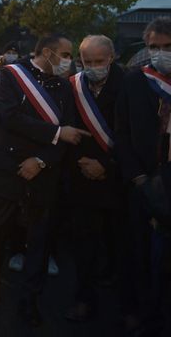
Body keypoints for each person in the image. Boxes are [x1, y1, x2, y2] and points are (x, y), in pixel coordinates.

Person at [0, 34, 87, 327]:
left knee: (39, 241)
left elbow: (70, 130)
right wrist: (55, 134)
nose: (69, 60)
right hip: (7, 168)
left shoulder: (63, 85)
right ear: (47, 52)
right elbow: (10, 117)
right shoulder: (9, 76)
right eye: (66, 54)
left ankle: (30, 300)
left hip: (43, 171)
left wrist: (42, 159)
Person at [115, 17, 171, 335]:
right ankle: (140, 313)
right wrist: (136, 177)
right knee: (140, 253)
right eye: (154, 47)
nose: (161, 53)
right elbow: (121, 133)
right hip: (144, 181)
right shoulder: (135, 81)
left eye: (167, 47)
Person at [63, 35, 123, 322]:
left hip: (118, 178)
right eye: (87, 62)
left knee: (121, 245)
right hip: (81, 175)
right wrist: (83, 163)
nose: (93, 67)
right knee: (83, 245)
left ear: (112, 58)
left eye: (99, 61)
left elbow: (137, 135)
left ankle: (128, 305)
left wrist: (107, 166)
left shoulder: (130, 84)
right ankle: (83, 299)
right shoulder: (73, 86)